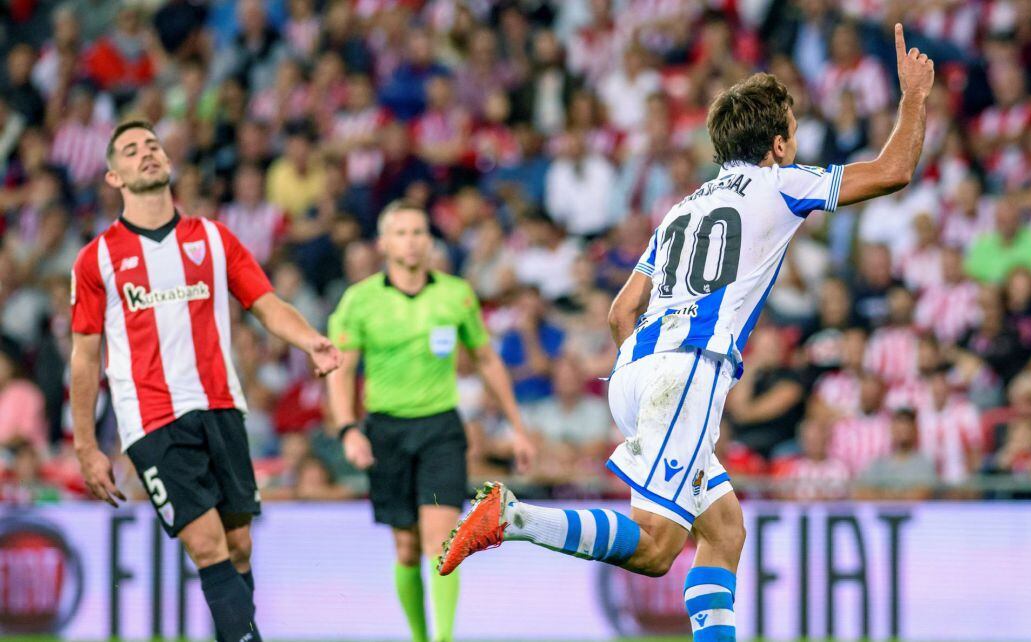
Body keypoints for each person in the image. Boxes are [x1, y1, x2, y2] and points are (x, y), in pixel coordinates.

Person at [438, 24, 934, 642]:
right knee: (655, 548)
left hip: (637, 371)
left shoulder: (682, 208)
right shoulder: (781, 184)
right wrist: (913, 97)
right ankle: (514, 518)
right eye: (794, 133)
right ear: (777, 144)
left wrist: (649, 371)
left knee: (724, 530)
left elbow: (622, 312)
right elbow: (893, 171)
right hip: (688, 372)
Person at [70, 121, 343, 642]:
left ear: (169, 162)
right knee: (209, 546)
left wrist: (310, 339)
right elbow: (84, 358)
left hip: (221, 405)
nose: (146, 154)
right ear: (112, 176)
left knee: (239, 547)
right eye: (131, 151)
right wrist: (87, 445)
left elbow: (265, 303)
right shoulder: (97, 259)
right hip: (152, 420)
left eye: (152, 145)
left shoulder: (215, 239)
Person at [326, 202, 535, 642]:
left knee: (441, 544)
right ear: (383, 243)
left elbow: (487, 360)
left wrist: (517, 427)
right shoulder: (360, 300)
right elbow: (341, 369)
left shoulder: (456, 294)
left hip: (441, 429)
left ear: (430, 240)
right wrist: (348, 428)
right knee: (405, 548)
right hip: (386, 431)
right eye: (401, 232)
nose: (412, 240)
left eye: (419, 231)